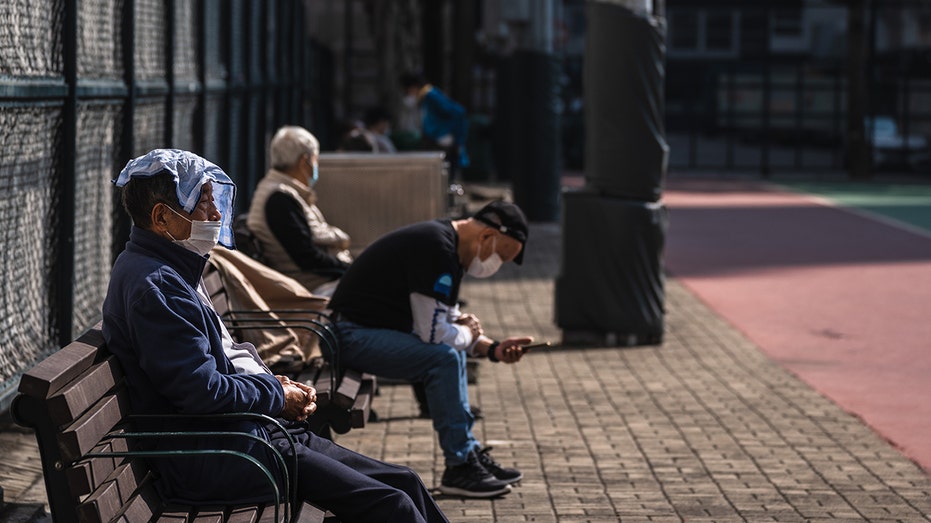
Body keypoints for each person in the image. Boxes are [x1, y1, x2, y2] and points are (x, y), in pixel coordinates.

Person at [102, 148, 448, 523]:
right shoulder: (156, 287)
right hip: (216, 456)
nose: (216, 215)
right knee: (391, 504)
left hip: (242, 436)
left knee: (405, 481)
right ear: (162, 218)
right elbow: (201, 392)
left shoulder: (166, 268)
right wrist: (275, 395)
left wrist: (270, 386)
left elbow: (204, 375)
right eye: (203, 204)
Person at [327, 200, 533, 498]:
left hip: (361, 332)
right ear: (486, 236)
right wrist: (465, 332)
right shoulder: (436, 248)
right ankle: (460, 465)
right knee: (443, 359)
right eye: (500, 256)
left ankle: (469, 453)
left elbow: (444, 324)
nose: (496, 266)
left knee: (450, 352)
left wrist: (494, 349)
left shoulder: (447, 247)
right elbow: (436, 333)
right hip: (350, 335)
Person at [247, 126, 352, 296]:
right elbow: (308, 258)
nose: (316, 166)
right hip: (310, 287)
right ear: (304, 162)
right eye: (315, 160)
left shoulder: (278, 191)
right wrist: (351, 270)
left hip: (313, 280)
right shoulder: (279, 198)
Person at [400, 72, 470, 171]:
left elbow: (458, 113)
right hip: (436, 138)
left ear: (413, 87)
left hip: (442, 139)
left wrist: (458, 140)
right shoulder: (427, 97)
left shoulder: (432, 96)